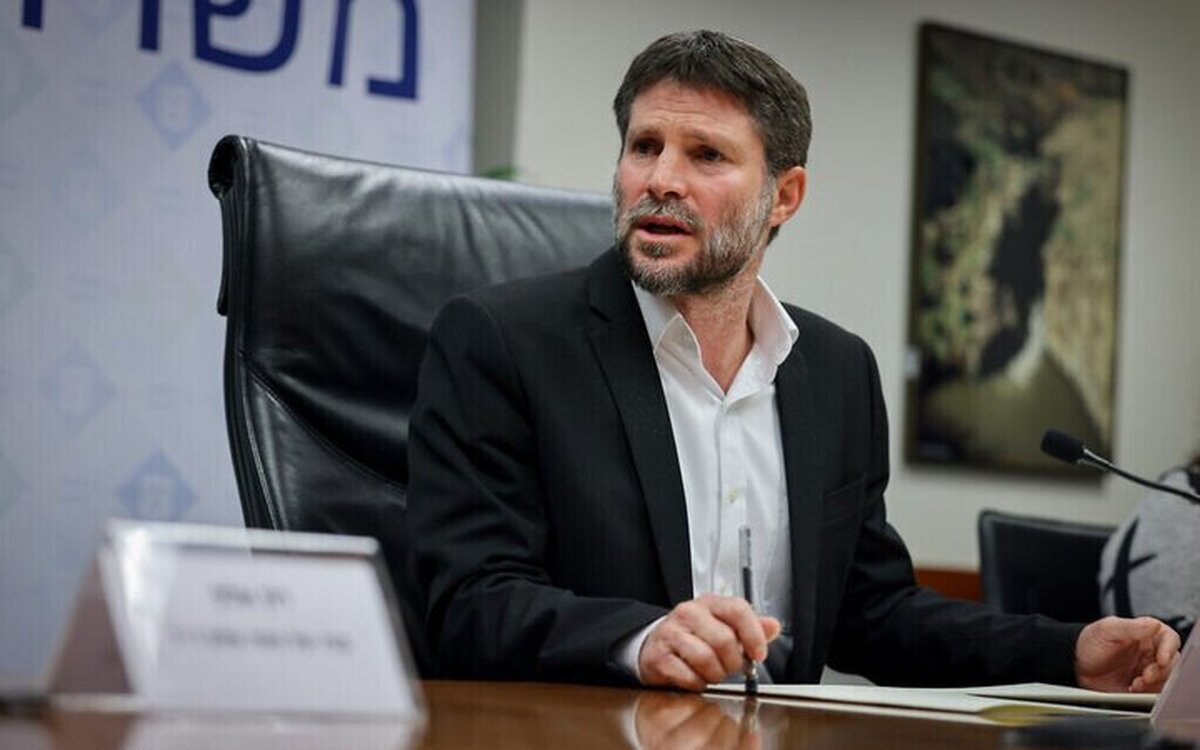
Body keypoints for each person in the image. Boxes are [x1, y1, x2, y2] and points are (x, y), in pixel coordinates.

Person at [407, 30, 1179, 691]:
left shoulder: (837, 372)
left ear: (784, 196)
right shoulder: (503, 341)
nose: (661, 180)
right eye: (644, 147)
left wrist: (1064, 652)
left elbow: (872, 613)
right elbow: (471, 601)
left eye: (706, 155)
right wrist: (639, 641)